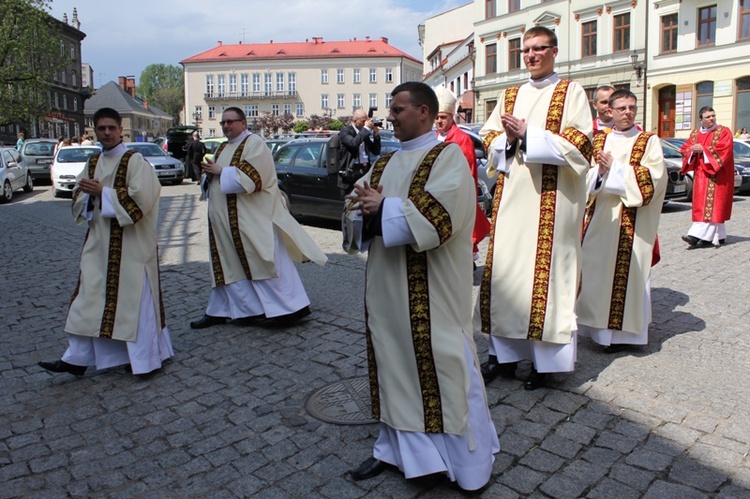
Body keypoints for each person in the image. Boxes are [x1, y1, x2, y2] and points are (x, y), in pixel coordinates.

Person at [343, 82, 499, 491]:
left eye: (398, 109)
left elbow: (444, 216)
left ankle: (467, 466)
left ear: (425, 112)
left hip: (432, 292)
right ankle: (395, 451)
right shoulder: (385, 163)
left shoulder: (447, 157)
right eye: (391, 110)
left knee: (446, 367)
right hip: (386, 291)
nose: (390, 116)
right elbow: (357, 201)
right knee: (394, 366)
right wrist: (360, 206)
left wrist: (385, 207)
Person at [477, 26, 593, 390]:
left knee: (545, 280)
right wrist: (507, 140)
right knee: (507, 277)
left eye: (539, 48)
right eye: (526, 50)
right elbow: (488, 137)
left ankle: (546, 365)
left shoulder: (571, 91)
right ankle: (505, 357)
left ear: (554, 51)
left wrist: (529, 135)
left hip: (553, 205)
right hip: (513, 202)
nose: (531, 55)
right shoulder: (510, 94)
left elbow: (581, 144)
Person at [38, 107, 173, 377]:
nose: (107, 133)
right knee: (88, 299)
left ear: (120, 129)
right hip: (99, 244)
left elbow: (142, 200)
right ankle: (76, 358)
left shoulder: (135, 161)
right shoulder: (92, 162)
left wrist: (104, 192)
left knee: (134, 303)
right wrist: (88, 196)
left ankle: (145, 361)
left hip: (132, 246)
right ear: (95, 130)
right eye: (102, 128)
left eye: (112, 128)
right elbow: (79, 198)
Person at [190, 107, 327, 329]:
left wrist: (220, 171)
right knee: (228, 264)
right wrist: (209, 174)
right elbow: (217, 175)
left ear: (243, 123)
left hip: (252, 219)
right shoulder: (224, 146)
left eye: (230, 122)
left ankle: (289, 309)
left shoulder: (254, 144)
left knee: (264, 261)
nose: (226, 126)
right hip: (226, 221)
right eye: (223, 122)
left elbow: (253, 179)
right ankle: (229, 309)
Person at [577, 90, 667, 352]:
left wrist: (615, 169)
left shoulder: (648, 141)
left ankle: (627, 336)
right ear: (610, 112)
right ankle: (601, 335)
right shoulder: (599, 141)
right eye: (622, 108)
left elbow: (654, 179)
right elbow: (583, 180)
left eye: (632, 107)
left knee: (631, 276)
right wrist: (600, 172)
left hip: (634, 223)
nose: (627, 112)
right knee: (597, 274)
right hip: (601, 220)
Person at [434, 84, 491, 262]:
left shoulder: (462, 138)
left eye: (443, 117)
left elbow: (467, 171)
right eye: (436, 117)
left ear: (452, 117)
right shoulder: (434, 137)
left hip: (455, 195)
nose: (439, 121)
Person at [680, 106, 734, 248]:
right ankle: (718, 236)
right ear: (701, 120)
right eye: (708, 117)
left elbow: (724, 150)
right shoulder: (695, 133)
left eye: (713, 116)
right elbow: (685, 148)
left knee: (712, 206)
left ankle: (695, 235)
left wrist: (703, 150)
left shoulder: (723, 131)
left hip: (717, 175)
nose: (712, 119)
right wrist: (691, 150)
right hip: (700, 176)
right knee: (702, 205)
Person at [338, 108, 381, 192]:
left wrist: (376, 135)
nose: (365, 123)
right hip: (351, 171)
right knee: (351, 201)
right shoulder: (345, 131)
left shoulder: (363, 133)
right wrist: (366, 129)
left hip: (365, 169)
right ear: (354, 121)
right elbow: (353, 144)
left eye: (366, 121)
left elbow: (376, 151)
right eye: (362, 121)